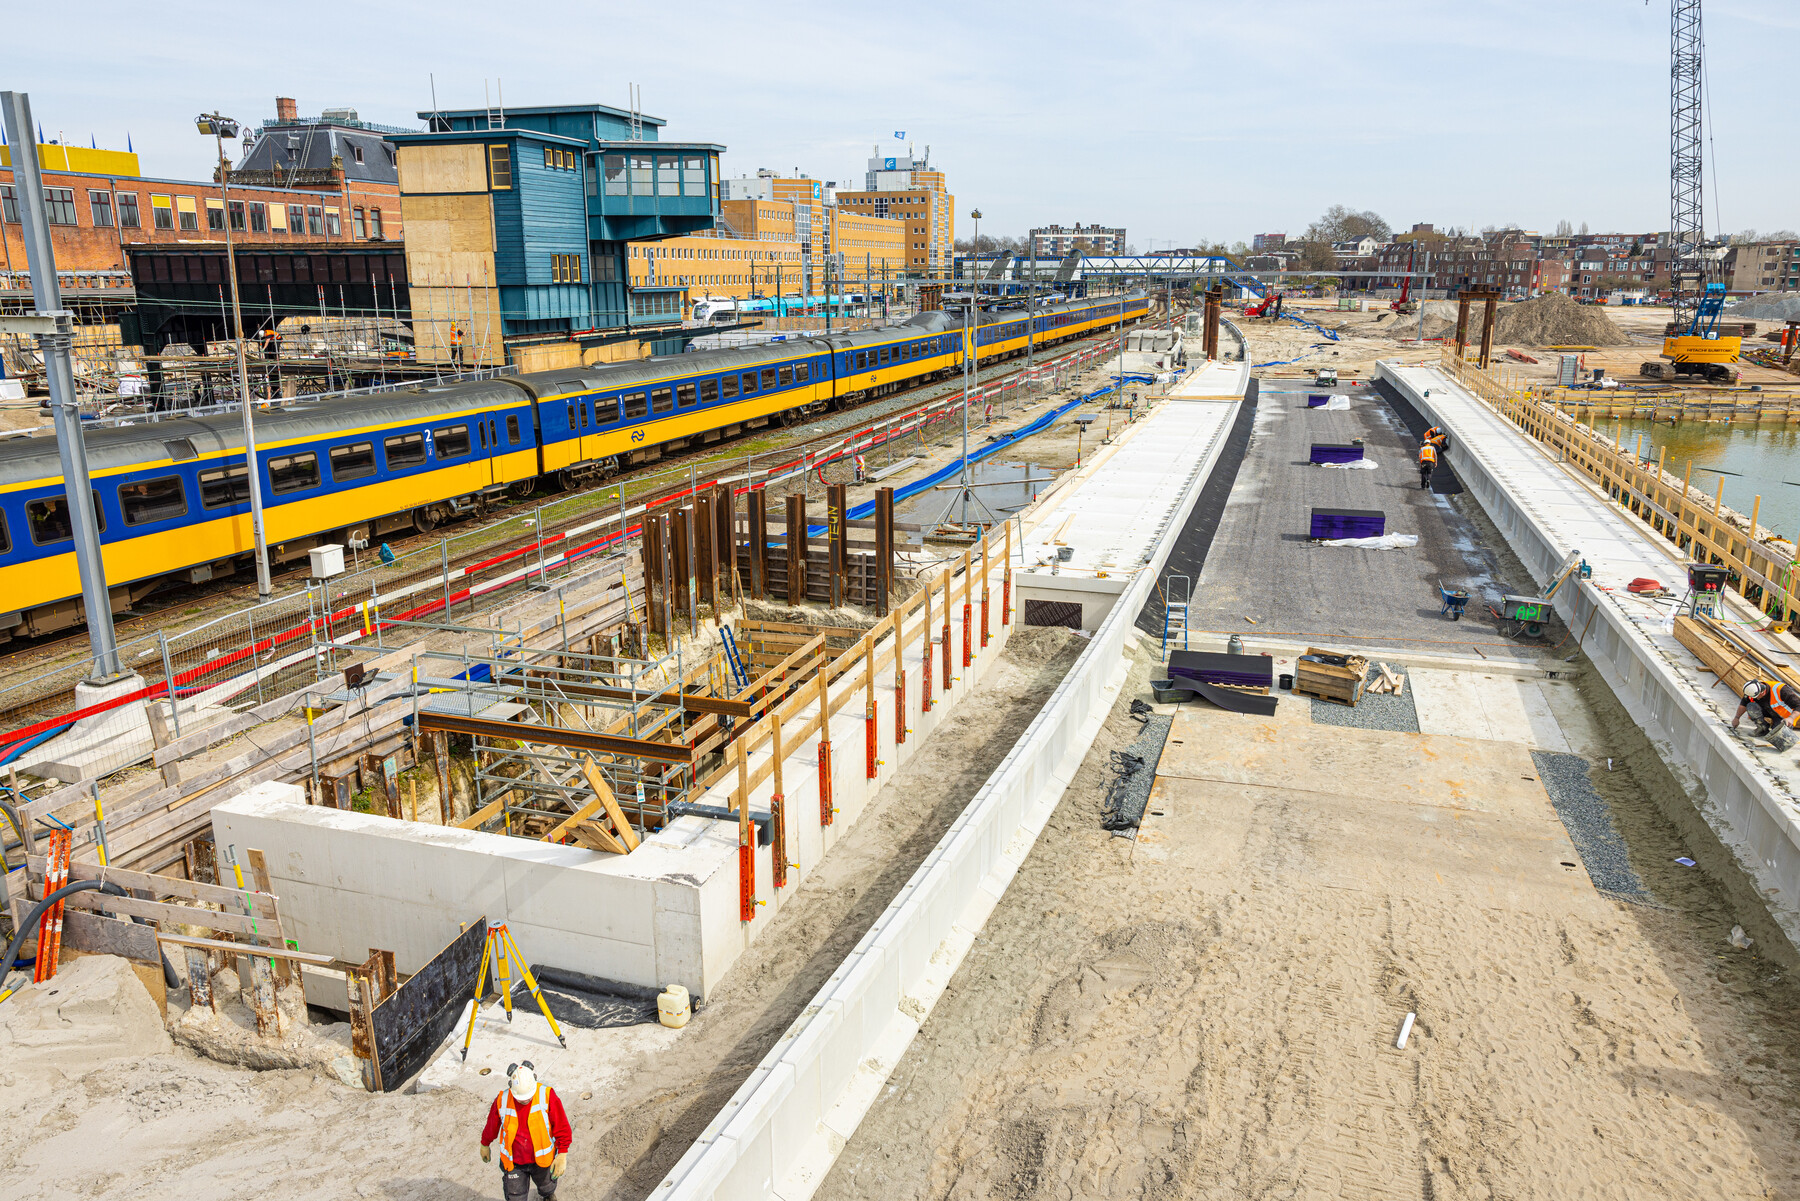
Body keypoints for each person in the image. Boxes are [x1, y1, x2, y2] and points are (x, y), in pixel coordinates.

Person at [480, 1062, 572, 1200]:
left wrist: (562, 1153)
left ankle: (548, 1196)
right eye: (521, 1098)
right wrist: (484, 1144)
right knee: (515, 1196)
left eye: (528, 1096)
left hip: (542, 1160)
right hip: (514, 1163)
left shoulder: (547, 1096)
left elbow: (561, 1126)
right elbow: (492, 1125)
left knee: (547, 1186)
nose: (526, 1100)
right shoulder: (502, 1100)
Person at [1733, 679, 1800, 740]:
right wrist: (1736, 718)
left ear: (1763, 692)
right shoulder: (1752, 690)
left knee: (1777, 738)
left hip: (1783, 717)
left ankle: (1778, 728)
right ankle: (1762, 728)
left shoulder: (1781, 690)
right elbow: (1743, 704)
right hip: (1768, 710)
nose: (1756, 698)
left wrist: (1791, 718)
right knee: (1751, 706)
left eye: (1757, 697)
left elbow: (1798, 706)